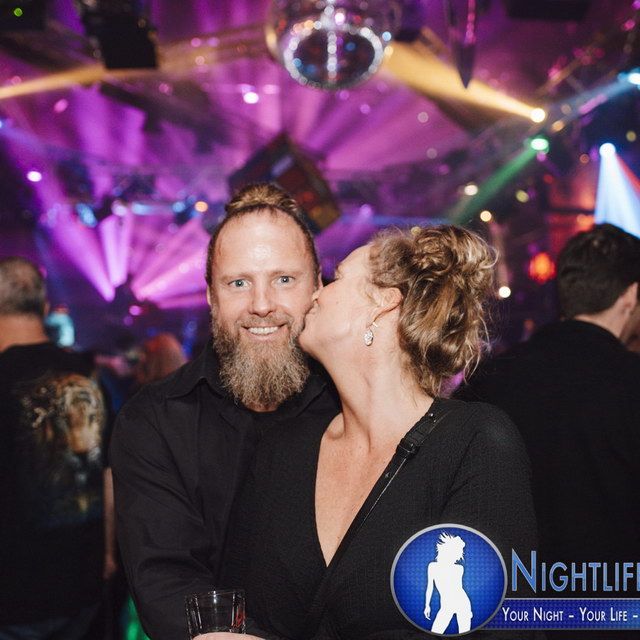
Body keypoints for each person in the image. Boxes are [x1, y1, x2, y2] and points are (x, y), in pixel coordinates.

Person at [218, 225, 537, 639]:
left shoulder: (473, 442)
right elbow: (239, 606)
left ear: (384, 303)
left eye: (336, 279)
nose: (314, 295)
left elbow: (495, 630)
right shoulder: (282, 450)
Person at [109, 184, 340, 640]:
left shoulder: (355, 404)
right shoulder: (154, 421)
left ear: (317, 288)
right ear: (212, 297)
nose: (261, 305)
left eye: (284, 280)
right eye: (238, 283)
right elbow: (167, 583)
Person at [456, 224, 640, 611]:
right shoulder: (630, 380)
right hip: (613, 609)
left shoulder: (489, 378)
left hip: (509, 607)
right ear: (631, 294)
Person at [0, 257, 110, 639]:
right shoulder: (87, 376)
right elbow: (110, 474)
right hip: (84, 583)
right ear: (44, 307)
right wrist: (108, 553)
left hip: (15, 596)